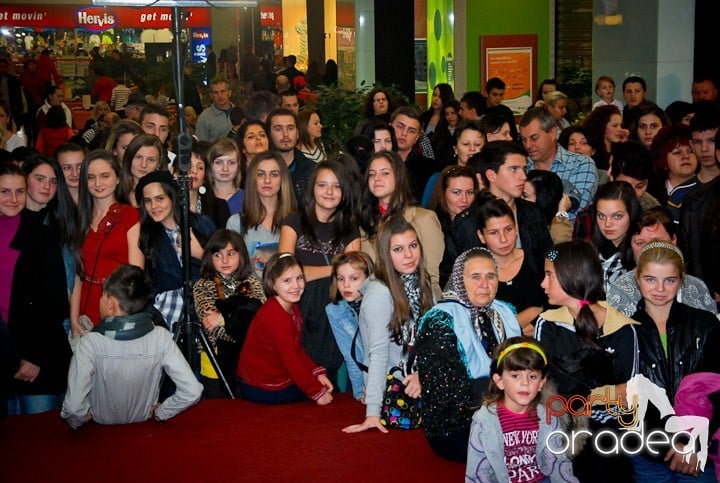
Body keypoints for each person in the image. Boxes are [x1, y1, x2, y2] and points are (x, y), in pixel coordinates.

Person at [535, 240, 639, 481]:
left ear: (571, 276)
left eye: (549, 275)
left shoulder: (624, 328)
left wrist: (587, 397)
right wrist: (602, 394)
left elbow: (630, 395)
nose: (543, 284)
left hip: (612, 440)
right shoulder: (548, 324)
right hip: (563, 433)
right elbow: (549, 389)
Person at [61, 265, 202, 428]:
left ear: (110, 303)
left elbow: (72, 407)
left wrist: (78, 420)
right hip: (143, 432)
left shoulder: (90, 343)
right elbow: (192, 390)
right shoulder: (160, 337)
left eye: (102, 296)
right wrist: (162, 412)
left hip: (102, 435)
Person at [416, 248, 522, 462]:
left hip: (508, 410)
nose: (484, 284)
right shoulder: (440, 320)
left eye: (490, 276)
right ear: (459, 280)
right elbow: (450, 396)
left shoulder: (505, 311)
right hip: (458, 424)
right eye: (475, 277)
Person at [629, 242, 720, 482]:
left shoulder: (706, 324)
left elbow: (716, 390)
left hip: (701, 453)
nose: (659, 288)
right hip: (647, 453)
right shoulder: (624, 331)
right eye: (650, 279)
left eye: (669, 280)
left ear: (681, 279)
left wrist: (692, 441)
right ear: (637, 278)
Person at [3, 159, 71, 415]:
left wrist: (35, 356)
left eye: (18, 191)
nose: (13, 198)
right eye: (5, 192)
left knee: (39, 440)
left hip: (38, 352)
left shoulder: (44, 234)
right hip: (5, 350)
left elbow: (54, 301)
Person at [279, 160, 361, 374]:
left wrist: (309, 272)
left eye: (336, 186)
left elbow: (353, 276)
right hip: (299, 307)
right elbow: (285, 273)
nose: (329, 192)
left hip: (334, 310)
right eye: (322, 185)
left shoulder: (350, 228)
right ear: (312, 188)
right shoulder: (294, 221)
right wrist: (335, 267)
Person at [466, 337, 578, 482]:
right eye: (515, 376)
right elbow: (478, 473)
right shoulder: (484, 422)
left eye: (532, 376)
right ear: (499, 381)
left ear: (541, 384)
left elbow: (559, 463)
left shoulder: (548, 417)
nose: (525, 383)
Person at [237, 253, 334, 405]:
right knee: (324, 391)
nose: (296, 285)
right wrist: (317, 392)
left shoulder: (292, 307)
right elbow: (291, 361)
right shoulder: (274, 315)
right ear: (272, 284)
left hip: (277, 376)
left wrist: (317, 372)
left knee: (325, 382)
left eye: (300, 278)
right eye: (287, 280)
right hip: (261, 386)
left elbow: (296, 349)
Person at [70, 150, 144, 331]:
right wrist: (73, 319)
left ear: (118, 178)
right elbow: (78, 275)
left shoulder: (131, 216)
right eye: (91, 177)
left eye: (105, 176)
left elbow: (136, 274)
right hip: (85, 309)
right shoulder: (80, 219)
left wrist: (121, 314)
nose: (97, 183)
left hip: (118, 308)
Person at [359, 151, 445, 297]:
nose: (377, 178)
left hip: (418, 302)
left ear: (398, 177)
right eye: (372, 174)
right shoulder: (364, 224)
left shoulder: (423, 219)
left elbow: (433, 276)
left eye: (384, 173)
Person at [136, 171, 215, 328]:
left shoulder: (201, 224)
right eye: (148, 201)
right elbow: (149, 283)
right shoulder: (147, 235)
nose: (154, 206)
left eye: (160, 198)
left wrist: (199, 254)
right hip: (165, 316)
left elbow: (226, 267)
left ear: (172, 196)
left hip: (205, 310)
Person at [606, 207, 717, 317]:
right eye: (640, 243)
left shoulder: (697, 287)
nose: (649, 249)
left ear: (674, 240)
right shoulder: (621, 291)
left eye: (656, 241)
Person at [193, 230, 265, 398]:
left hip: (248, 356)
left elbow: (260, 320)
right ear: (210, 258)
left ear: (241, 255)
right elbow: (210, 325)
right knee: (219, 410)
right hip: (214, 356)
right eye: (218, 255)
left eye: (231, 254)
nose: (224, 261)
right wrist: (241, 319)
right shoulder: (203, 285)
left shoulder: (252, 282)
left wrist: (222, 318)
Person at [477, 199, 547, 335]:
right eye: (494, 233)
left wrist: (511, 328)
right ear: (481, 236)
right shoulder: (476, 274)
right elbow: (484, 328)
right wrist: (532, 312)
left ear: (516, 228)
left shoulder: (538, 260)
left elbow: (555, 306)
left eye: (508, 229)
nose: (503, 239)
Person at [519, 107, 598, 220]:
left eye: (534, 138)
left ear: (552, 133)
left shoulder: (581, 164)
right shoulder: (520, 167)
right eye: (523, 140)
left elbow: (573, 217)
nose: (528, 145)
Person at [226, 152, 296, 278]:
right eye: (260, 174)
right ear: (253, 179)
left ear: (282, 179)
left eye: (274, 174)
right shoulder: (236, 223)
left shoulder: (297, 221)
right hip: (249, 295)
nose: (267, 180)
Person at [325, 252, 376, 401]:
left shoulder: (380, 304)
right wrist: (360, 392)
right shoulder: (335, 310)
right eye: (341, 279)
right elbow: (351, 356)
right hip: (364, 378)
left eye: (354, 278)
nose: (346, 285)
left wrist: (376, 389)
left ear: (369, 279)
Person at [584, 181, 643, 291]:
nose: (607, 224)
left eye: (617, 216)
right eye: (601, 216)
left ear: (632, 214)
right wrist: (561, 215)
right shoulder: (588, 244)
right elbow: (553, 255)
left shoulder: (644, 249)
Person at [649, 124, 700, 222]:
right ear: (662, 159)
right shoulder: (652, 195)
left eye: (691, 151)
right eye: (677, 152)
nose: (685, 156)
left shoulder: (709, 190)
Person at [267, 108, 315, 210]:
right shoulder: (259, 169)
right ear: (269, 134)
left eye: (290, 128)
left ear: (297, 133)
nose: (285, 134)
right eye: (278, 129)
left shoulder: (311, 169)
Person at [390, 106, 440, 201]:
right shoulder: (376, 162)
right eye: (400, 126)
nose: (404, 133)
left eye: (411, 131)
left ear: (417, 138)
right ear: (389, 126)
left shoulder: (429, 168)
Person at [188, 140, 229, 231]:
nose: (194, 171)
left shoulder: (219, 207)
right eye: (188, 166)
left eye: (200, 167)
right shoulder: (168, 205)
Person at [523, 169, 573, 244]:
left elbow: (556, 252)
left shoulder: (554, 229)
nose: (518, 198)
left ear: (543, 199)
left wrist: (562, 211)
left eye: (524, 195)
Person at [427, 165, 477, 234]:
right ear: (443, 193)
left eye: (470, 192)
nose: (464, 199)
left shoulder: (482, 221)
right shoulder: (430, 225)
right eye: (457, 192)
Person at [121, 134, 167, 208]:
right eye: (138, 157)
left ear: (158, 164)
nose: (143, 165)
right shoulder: (115, 191)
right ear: (129, 158)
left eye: (151, 160)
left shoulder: (167, 196)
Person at [583, 104, 625, 173]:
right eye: (615, 126)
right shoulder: (592, 154)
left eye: (621, 125)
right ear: (602, 126)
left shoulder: (619, 150)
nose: (620, 129)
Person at [207, 137, 243, 214]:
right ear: (210, 164)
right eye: (218, 162)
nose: (225, 169)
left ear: (238, 165)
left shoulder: (248, 200)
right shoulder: (201, 198)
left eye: (231, 162)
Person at [689, 102, 720, 184]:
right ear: (691, 145)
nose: (704, 149)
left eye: (711, 141)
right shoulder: (681, 194)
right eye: (697, 142)